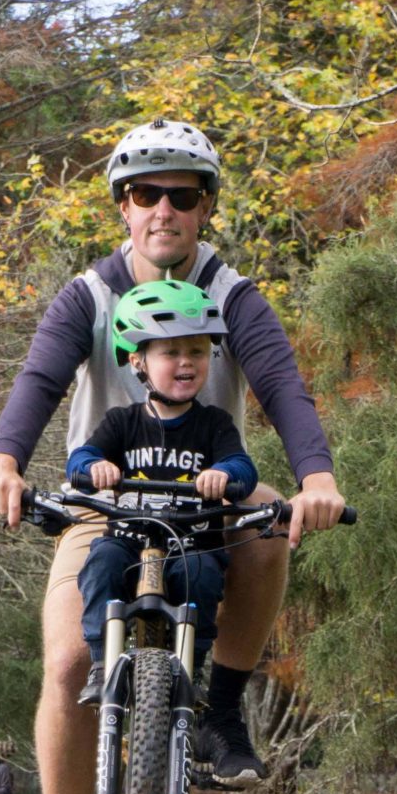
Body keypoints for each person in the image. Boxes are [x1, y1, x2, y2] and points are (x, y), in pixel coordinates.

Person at [0, 119, 347, 794]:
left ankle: (219, 709)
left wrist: (315, 476)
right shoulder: (88, 297)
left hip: (210, 499)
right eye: (145, 194)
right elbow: (39, 379)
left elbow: (282, 384)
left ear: (206, 206)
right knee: (66, 667)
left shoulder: (235, 297)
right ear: (123, 208)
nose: (163, 209)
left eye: (182, 193)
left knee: (272, 526)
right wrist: (2, 461)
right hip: (106, 508)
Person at [66, 280, 255, 704]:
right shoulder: (121, 423)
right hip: (128, 542)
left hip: (191, 544)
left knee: (204, 577)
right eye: (170, 352)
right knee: (101, 564)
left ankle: (194, 665)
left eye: (197, 351)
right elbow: (79, 461)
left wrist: (223, 474)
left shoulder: (214, 425)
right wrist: (94, 467)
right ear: (138, 360)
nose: (185, 362)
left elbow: (244, 468)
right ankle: (102, 662)